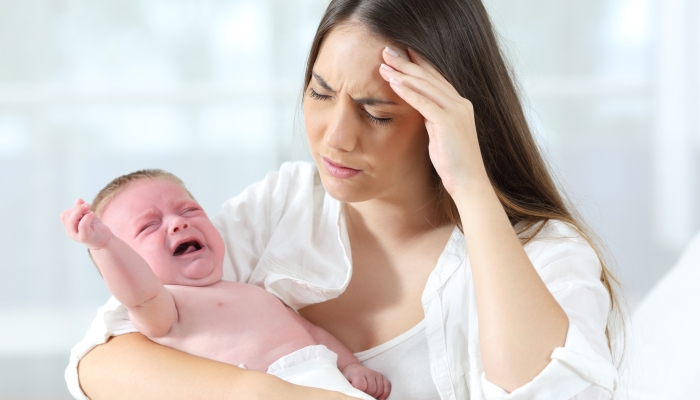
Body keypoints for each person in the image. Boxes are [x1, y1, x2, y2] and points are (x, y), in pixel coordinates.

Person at [66, 0, 622, 399]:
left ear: (448, 116)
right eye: (320, 93)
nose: (335, 136)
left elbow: (561, 391)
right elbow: (99, 360)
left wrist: (473, 188)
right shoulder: (283, 206)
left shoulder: (545, 253)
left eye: (376, 112)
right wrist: (268, 393)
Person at [60, 170, 389, 400]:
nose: (178, 222)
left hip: (328, 383)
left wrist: (350, 366)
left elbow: (312, 333)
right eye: (149, 226)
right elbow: (138, 295)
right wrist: (105, 246)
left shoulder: (255, 290)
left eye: (189, 209)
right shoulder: (165, 307)